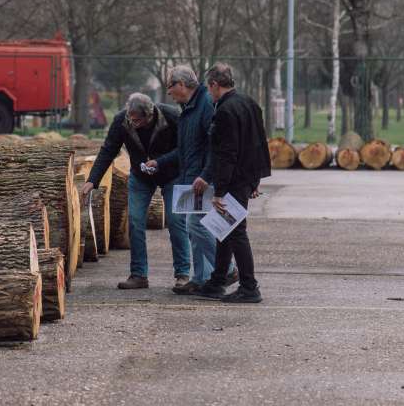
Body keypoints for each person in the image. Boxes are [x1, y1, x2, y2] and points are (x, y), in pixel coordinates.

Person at [80, 93, 189, 289]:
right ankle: (139, 274)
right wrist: (92, 180)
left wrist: (160, 162)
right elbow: (109, 150)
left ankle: (183, 274)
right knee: (135, 221)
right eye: (131, 118)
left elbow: (185, 148)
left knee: (175, 221)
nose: (133, 123)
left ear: (150, 115)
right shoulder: (122, 120)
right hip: (140, 176)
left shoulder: (171, 116)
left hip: (173, 174)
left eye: (137, 120)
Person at [146, 66, 236, 295]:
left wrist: (206, 175)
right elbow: (185, 149)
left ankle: (228, 269)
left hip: (202, 179)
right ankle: (201, 278)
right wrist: (161, 162)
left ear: (182, 84)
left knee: (196, 225)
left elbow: (213, 145)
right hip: (192, 177)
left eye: (170, 86)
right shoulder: (187, 109)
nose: (168, 92)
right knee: (193, 229)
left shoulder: (204, 104)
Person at [196, 62, 271, 303]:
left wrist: (219, 191)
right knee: (224, 228)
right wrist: (256, 178)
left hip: (234, 180)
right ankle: (218, 280)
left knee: (236, 231)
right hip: (246, 177)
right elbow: (259, 141)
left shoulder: (225, 111)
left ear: (215, 85)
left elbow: (226, 154)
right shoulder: (249, 103)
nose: (209, 93)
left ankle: (249, 287)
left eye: (209, 88)